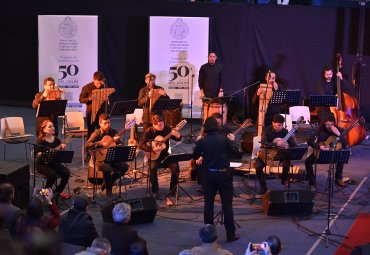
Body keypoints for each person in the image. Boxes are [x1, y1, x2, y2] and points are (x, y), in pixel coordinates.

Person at [192, 117, 241, 242]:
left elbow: (195, 156)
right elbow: (236, 153)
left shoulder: (202, 141)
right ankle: (230, 235)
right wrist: (232, 141)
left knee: (208, 205)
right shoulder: (224, 139)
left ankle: (209, 235)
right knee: (227, 205)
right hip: (224, 175)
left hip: (208, 175)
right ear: (217, 127)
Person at [85, 113, 129, 197]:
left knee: (124, 167)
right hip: (99, 159)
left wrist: (117, 142)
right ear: (100, 124)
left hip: (112, 157)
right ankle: (109, 191)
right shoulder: (96, 134)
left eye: (109, 122)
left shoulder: (114, 132)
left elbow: (121, 145)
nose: (107, 125)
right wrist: (101, 144)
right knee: (107, 169)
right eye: (105, 123)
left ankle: (107, 183)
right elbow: (87, 145)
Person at [139, 114, 182, 200]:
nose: (161, 126)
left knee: (175, 166)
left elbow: (177, 138)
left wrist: (178, 136)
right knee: (152, 168)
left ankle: (173, 189)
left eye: (162, 124)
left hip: (165, 155)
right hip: (153, 156)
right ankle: (155, 191)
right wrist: (152, 149)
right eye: (159, 125)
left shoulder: (167, 129)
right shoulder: (149, 131)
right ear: (154, 124)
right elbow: (141, 145)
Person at [254, 114, 297, 194]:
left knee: (288, 159)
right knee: (258, 167)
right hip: (267, 153)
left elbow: (293, 144)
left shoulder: (284, 131)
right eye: (279, 125)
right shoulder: (267, 130)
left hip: (279, 154)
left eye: (282, 125)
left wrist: (293, 141)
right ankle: (264, 187)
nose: (281, 127)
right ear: (273, 123)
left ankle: (284, 179)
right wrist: (276, 144)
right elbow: (263, 143)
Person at [305, 113, 348, 188]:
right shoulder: (319, 131)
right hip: (321, 154)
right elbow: (309, 142)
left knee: (341, 158)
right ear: (324, 123)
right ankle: (312, 182)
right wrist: (319, 146)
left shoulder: (338, 130)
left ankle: (338, 179)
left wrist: (338, 133)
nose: (330, 126)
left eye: (332, 124)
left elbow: (345, 145)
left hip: (333, 154)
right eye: (328, 124)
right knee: (307, 162)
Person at [34, 120, 70, 200]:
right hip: (42, 164)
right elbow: (36, 154)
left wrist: (62, 148)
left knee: (66, 172)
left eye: (53, 126)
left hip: (53, 162)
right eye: (50, 127)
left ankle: (57, 192)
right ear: (44, 130)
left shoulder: (56, 139)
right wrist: (45, 153)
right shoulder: (40, 141)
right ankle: (46, 194)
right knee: (52, 175)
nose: (53, 128)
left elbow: (59, 154)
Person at [79, 71, 110, 139]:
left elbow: (108, 102)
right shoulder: (86, 87)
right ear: (94, 79)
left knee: (103, 132)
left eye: (100, 83)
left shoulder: (104, 87)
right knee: (91, 133)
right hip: (91, 114)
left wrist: (106, 98)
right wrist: (90, 98)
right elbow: (81, 99)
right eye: (97, 83)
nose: (99, 85)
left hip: (101, 114)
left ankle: (102, 148)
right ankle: (89, 148)